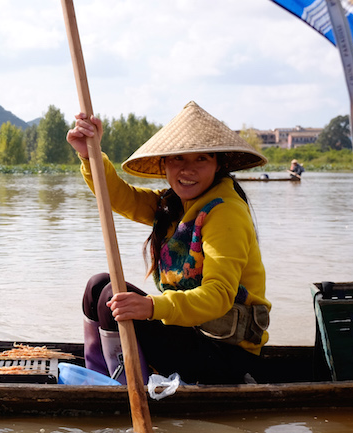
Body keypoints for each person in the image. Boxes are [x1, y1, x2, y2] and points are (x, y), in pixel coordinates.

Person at [66, 101, 271, 385]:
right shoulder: (173, 204)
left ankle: (129, 385)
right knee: (99, 286)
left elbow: (219, 295)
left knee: (112, 296)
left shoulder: (225, 212)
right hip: (189, 336)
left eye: (202, 159)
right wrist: (90, 154)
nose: (187, 170)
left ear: (219, 164)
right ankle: (104, 379)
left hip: (225, 353)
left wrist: (152, 306)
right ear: (165, 164)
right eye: (178, 159)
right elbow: (119, 197)